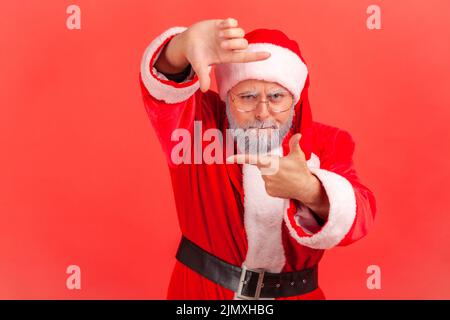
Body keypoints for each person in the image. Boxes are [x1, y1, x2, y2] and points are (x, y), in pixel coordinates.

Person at [139, 17, 377, 300]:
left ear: (296, 99)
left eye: (277, 96)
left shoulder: (328, 143)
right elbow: (166, 91)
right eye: (247, 97)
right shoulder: (199, 128)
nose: (263, 112)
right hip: (203, 296)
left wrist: (309, 190)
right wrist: (180, 47)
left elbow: (360, 213)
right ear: (228, 98)